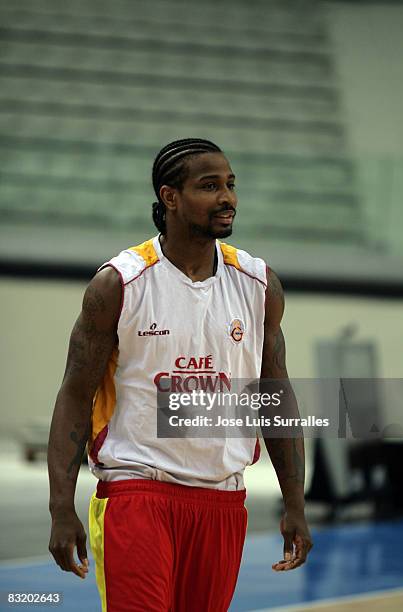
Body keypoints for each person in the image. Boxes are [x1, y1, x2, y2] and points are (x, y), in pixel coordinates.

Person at [48, 138, 313, 611]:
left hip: (223, 499)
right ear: (170, 197)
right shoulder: (119, 283)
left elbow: (275, 394)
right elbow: (73, 394)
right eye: (209, 187)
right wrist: (60, 507)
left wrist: (296, 501)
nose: (227, 197)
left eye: (230, 185)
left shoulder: (258, 284)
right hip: (137, 490)